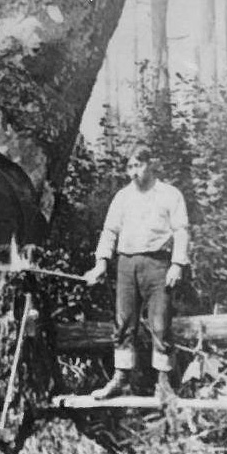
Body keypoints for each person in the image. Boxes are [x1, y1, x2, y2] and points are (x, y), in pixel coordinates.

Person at [83, 142, 189, 399]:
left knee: (160, 324)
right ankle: (121, 379)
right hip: (127, 265)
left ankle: (164, 383)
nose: (133, 172)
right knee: (123, 323)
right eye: (130, 166)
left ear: (151, 164)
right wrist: (101, 262)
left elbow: (181, 231)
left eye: (138, 165)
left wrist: (177, 264)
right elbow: (109, 231)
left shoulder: (170, 194)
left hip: (158, 265)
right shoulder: (123, 197)